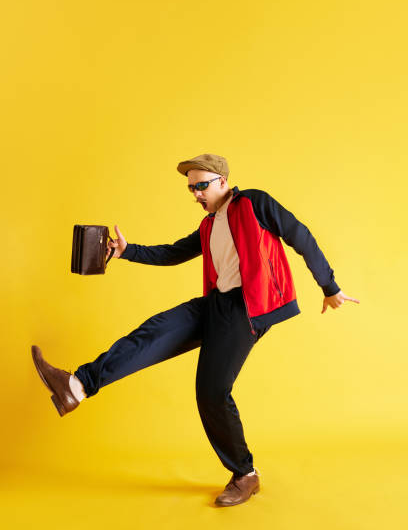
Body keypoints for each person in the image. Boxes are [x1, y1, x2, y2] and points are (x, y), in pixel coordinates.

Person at [31, 153, 360, 507]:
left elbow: (300, 235)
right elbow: (173, 253)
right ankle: (76, 386)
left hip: (248, 308)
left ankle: (245, 474)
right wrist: (128, 252)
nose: (196, 195)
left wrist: (329, 287)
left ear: (222, 182)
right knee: (154, 332)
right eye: (191, 189)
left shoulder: (253, 202)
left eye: (201, 186)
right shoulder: (209, 225)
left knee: (212, 392)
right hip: (218, 303)